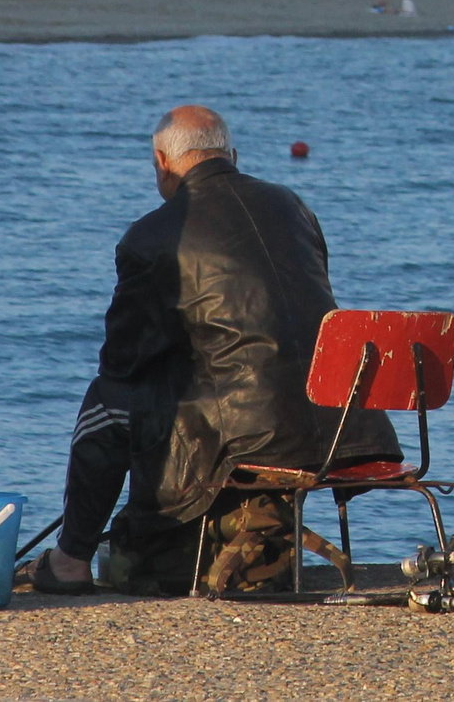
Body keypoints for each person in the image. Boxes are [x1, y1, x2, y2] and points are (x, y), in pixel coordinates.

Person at [28, 106, 397, 594]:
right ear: (233, 156)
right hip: (342, 424)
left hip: (253, 435)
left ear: (162, 162)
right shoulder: (292, 206)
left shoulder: (150, 236)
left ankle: (71, 559)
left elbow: (122, 362)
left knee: (106, 403)